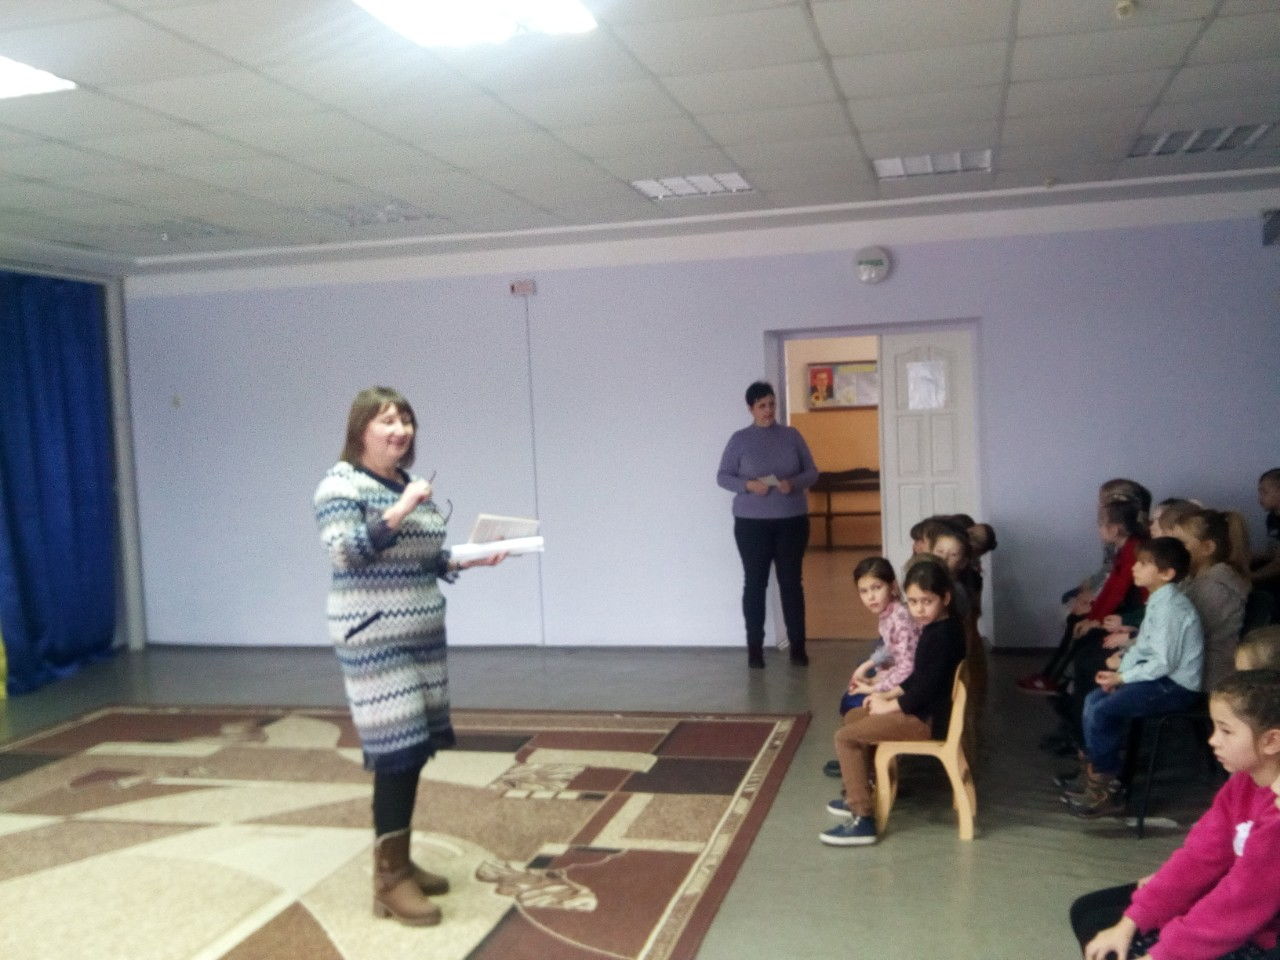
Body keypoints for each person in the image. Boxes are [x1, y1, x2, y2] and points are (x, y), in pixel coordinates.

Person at [314, 386, 504, 927]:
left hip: (421, 636)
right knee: (396, 750)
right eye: (387, 421)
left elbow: (423, 559)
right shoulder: (339, 485)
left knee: (414, 749)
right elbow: (346, 552)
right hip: (374, 639)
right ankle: (389, 881)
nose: (400, 430)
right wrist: (400, 510)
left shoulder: (405, 483)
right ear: (361, 430)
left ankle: (398, 858)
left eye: (406, 421)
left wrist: (468, 559)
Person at [1070, 669, 1280, 960]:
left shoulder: (1276, 815)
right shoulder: (1242, 783)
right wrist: (1132, 921)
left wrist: (1160, 955)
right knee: (1089, 914)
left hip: (1263, 939)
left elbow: (1240, 902)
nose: (1213, 740)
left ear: (1271, 741)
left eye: (1226, 731)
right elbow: (1198, 857)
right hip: (1235, 919)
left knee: (1112, 943)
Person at [822, 558, 966, 846]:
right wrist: (886, 694)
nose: (919, 609)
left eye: (927, 601)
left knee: (846, 738)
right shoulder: (937, 628)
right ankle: (861, 792)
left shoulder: (943, 637)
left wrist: (890, 705)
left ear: (946, 598)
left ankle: (863, 818)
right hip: (924, 713)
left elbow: (925, 689)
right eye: (913, 602)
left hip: (927, 721)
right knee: (854, 717)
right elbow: (919, 678)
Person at [1064, 537, 1204, 818]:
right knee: (1094, 700)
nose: (1134, 568)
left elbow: (1164, 662)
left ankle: (1106, 788)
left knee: (1103, 709)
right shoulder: (1158, 600)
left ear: (1167, 573)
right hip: (1159, 679)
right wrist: (1120, 673)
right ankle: (1098, 776)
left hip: (1176, 687)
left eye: (1144, 564)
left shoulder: (1172, 608)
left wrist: (1124, 678)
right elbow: (1144, 645)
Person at [717, 381, 819, 668]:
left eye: (772, 404)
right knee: (755, 583)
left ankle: (798, 648)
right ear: (750, 408)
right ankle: (755, 650)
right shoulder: (739, 440)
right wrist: (748, 485)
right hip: (752, 525)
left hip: (791, 522)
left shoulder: (791, 436)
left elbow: (812, 472)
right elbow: (723, 476)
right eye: (762, 405)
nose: (768, 410)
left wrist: (793, 483)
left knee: (791, 583)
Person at [1020, 496, 1148, 696]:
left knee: (1086, 637)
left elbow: (1117, 592)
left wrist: (1095, 621)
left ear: (1115, 529)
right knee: (1076, 620)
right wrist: (1093, 615)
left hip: (1132, 614)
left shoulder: (1133, 549)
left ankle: (1063, 685)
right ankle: (1051, 678)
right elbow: (1110, 588)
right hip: (1125, 609)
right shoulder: (1124, 547)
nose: (1098, 529)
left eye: (1101, 524)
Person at [822, 557, 922, 778]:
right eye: (864, 591)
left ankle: (861, 759)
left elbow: (908, 668)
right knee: (853, 690)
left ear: (892, 586)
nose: (871, 597)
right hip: (897, 678)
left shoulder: (900, 617)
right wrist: (872, 674)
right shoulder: (888, 614)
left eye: (876, 588)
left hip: (907, 690)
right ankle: (858, 760)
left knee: (852, 701)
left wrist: (874, 688)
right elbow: (891, 651)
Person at [1173, 508, 1251, 689]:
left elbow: (1187, 635)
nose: (1173, 551)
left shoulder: (1216, 587)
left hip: (1207, 675)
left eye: (1181, 544)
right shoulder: (1192, 580)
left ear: (1207, 548)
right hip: (1189, 668)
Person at [1250, 469, 1280, 604]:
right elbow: (1273, 553)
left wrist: (1248, 578)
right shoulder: (1272, 518)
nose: (1259, 498)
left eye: (1264, 492)